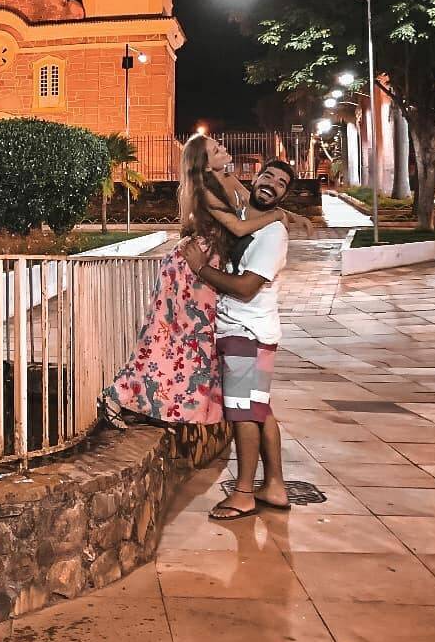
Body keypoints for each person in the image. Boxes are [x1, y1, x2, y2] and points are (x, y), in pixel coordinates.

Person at [101, 136, 311, 428]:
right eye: (216, 150)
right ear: (205, 162)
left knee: (191, 345)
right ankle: (117, 394)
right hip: (190, 268)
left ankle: (160, 405)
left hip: (208, 264)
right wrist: (278, 215)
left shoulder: (228, 179)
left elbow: (251, 208)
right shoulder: (205, 189)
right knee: (168, 339)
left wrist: (289, 214)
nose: (224, 150)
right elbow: (238, 226)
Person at [183, 159, 296, 520]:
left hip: (247, 331)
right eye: (269, 176)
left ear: (283, 195)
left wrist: (200, 267)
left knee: (244, 414)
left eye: (281, 183)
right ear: (256, 177)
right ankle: (274, 485)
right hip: (246, 331)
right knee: (260, 409)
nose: (272, 184)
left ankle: (244, 492)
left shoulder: (273, 233)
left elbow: (247, 287)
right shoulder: (250, 217)